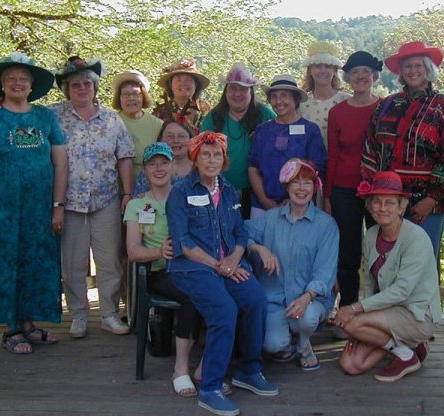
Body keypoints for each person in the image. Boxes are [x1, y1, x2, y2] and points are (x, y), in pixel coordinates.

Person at [167, 131, 278, 416]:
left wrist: (234, 259)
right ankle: (211, 387)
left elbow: (241, 233)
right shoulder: (181, 191)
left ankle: (248, 370)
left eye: (217, 155)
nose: (212, 160)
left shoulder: (229, 189)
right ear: (195, 159)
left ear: (225, 160)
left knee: (255, 299)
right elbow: (183, 244)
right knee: (224, 309)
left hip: (228, 264)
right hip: (193, 268)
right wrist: (221, 266)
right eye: (206, 154)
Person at [0, 52, 67, 354]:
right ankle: (10, 330)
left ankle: (28, 325)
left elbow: (61, 163)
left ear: (32, 84)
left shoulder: (45, 118)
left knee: (36, 264)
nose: (17, 83)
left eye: (23, 78)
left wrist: (57, 205)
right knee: (4, 264)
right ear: (2, 84)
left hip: (39, 210)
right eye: (11, 78)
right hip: (0, 209)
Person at [51, 56, 136, 338]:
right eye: (76, 84)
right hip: (69, 202)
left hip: (106, 199)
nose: (82, 88)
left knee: (109, 260)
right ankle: (78, 314)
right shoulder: (53, 116)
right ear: (67, 89)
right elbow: (22, 115)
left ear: (95, 87)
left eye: (87, 83)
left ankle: (109, 314)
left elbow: (124, 157)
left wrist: (126, 193)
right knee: (72, 262)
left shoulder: (112, 119)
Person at [334, 171, 442, 382]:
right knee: (351, 364)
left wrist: (355, 310)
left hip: (417, 314)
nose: (382, 208)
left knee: (351, 325)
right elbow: (369, 282)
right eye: (377, 202)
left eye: (390, 203)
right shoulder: (372, 235)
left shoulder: (416, 238)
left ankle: (406, 355)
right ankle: (407, 347)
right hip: (388, 311)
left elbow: (402, 291)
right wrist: (361, 311)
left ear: (402, 207)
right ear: (370, 205)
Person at [362, 41, 444, 257]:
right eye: (408, 66)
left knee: (422, 263)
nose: (413, 71)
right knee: (387, 263)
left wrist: (432, 198)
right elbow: (370, 147)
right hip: (387, 204)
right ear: (401, 71)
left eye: (418, 65)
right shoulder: (386, 105)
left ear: (428, 69)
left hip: (425, 207)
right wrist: (374, 195)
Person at [124, 142, 202, 397]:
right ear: (144, 169)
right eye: (152, 163)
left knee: (219, 292)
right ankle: (181, 368)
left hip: (192, 266)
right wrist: (159, 252)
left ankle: (204, 364)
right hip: (160, 271)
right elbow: (133, 251)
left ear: (172, 166)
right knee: (195, 295)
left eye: (164, 162)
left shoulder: (187, 197)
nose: (159, 168)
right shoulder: (137, 205)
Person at [246, 158, 338, 371]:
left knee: (305, 319)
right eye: (295, 182)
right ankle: (287, 343)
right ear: (286, 185)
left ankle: (304, 345)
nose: (301, 188)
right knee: (272, 344)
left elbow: (325, 271)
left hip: (309, 300)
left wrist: (307, 297)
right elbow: (240, 232)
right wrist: (260, 249)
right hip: (276, 299)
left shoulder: (326, 225)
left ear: (315, 187)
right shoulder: (270, 219)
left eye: (307, 182)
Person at [326, 51, 383, 339]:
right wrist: (328, 195)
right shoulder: (337, 112)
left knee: (380, 252)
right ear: (347, 78)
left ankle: (377, 313)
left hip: (378, 191)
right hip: (345, 190)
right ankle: (347, 311)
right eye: (355, 72)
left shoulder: (386, 108)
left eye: (366, 71)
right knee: (347, 253)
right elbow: (333, 156)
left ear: (374, 76)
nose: (360, 76)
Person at [201, 63, 276, 218]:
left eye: (243, 89)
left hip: (259, 189)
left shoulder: (264, 114)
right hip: (220, 187)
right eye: (233, 88)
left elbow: (279, 139)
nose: (237, 94)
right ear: (226, 92)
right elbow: (200, 151)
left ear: (251, 92)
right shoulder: (214, 117)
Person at [248, 74, 327, 218]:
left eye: (284, 95)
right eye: (274, 96)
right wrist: (264, 200)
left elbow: (317, 169)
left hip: (300, 206)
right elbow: (253, 167)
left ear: (295, 99)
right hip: (262, 206)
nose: (279, 101)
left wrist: (293, 200)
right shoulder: (262, 130)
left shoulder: (310, 131)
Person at [112, 70, 163, 178]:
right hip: (116, 187)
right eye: (126, 94)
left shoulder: (158, 125)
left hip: (151, 186)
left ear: (143, 96)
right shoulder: (110, 123)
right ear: (119, 98)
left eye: (135, 93)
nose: (131, 98)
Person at [299, 41, 351, 147]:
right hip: (309, 162)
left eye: (327, 66)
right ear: (310, 70)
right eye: (318, 66)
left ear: (334, 70)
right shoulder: (301, 103)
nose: (323, 71)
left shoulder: (347, 101)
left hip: (340, 162)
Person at [133, 118, 194, 195]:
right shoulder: (150, 170)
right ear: (161, 139)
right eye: (170, 136)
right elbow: (137, 203)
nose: (176, 141)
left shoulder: (199, 168)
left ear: (191, 140)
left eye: (181, 136)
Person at [153, 59, 211, 134]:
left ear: (196, 85)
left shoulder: (208, 111)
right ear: (171, 85)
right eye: (178, 79)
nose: (183, 83)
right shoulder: (160, 112)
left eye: (188, 79)